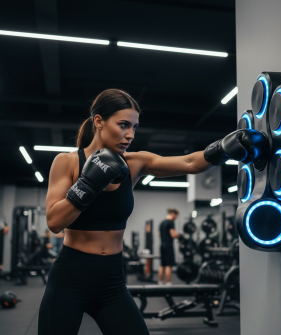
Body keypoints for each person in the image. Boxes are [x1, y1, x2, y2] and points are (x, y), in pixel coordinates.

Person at [38, 88, 267, 335]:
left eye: (134, 127)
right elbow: (54, 222)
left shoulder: (135, 163)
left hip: (112, 281)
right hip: (70, 277)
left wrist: (223, 148)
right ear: (98, 121)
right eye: (123, 125)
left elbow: (190, 162)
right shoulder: (68, 162)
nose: (130, 135)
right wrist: (89, 183)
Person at [158, 208, 181, 285]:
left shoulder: (162, 223)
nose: (176, 218)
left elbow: (159, 235)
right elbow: (173, 235)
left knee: (162, 265)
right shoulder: (171, 223)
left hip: (162, 245)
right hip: (168, 246)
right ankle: (168, 284)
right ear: (173, 214)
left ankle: (160, 282)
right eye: (176, 216)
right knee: (168, 265)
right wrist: (180, 235)